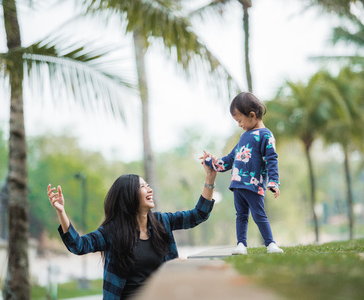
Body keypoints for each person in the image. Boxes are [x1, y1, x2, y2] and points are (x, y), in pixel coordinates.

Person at [47, 159, 217, 300]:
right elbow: (79, 245)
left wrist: (210, 178)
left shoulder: (162, 222)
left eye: (148, 185)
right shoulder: (112, 232)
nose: (149, 189)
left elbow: (198, 214)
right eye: (143, 186)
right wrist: (61, 212)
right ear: (129, 195)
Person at [201, 92, 284, 255]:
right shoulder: (243, 137)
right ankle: (241, 244)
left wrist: (274, 181)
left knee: (259, 215)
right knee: (241, 216)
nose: (239, 124)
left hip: (254, 185)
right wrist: (212, 162)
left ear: (252, 115)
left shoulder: (266, 135)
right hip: (237, 185)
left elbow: (272, 159)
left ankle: (271, 244)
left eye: (239, 120)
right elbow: (230, 159)